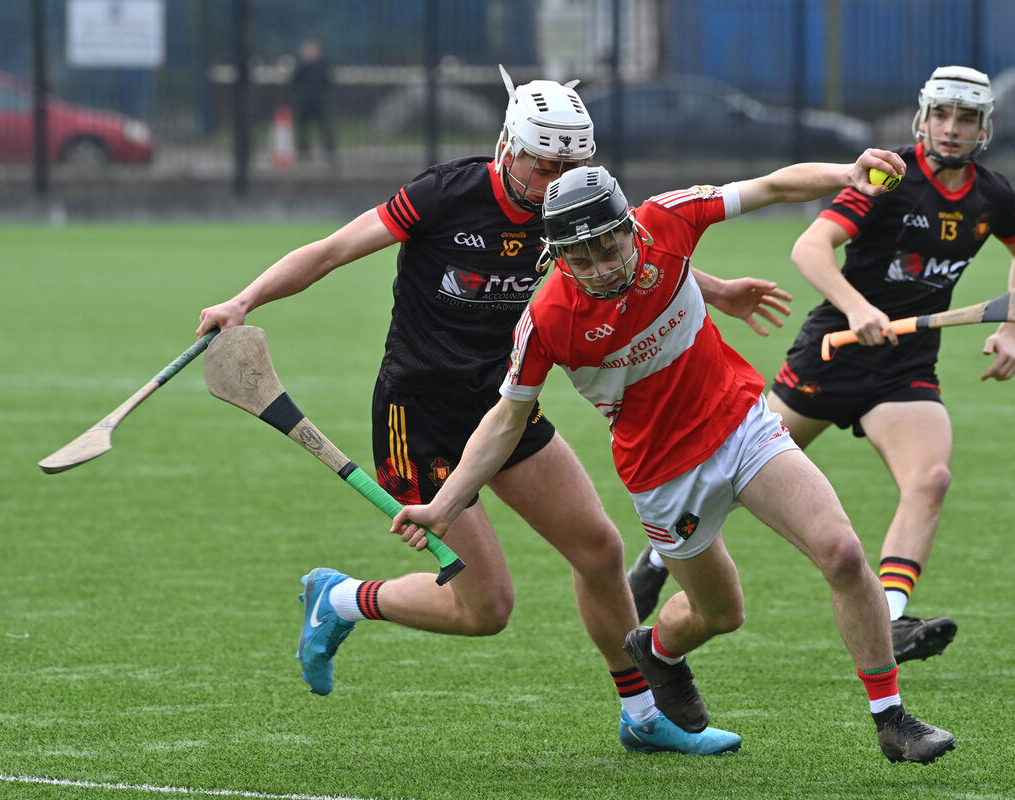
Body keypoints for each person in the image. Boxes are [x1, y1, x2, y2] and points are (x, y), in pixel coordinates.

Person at [197, 67, 789, 756]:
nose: (556, 181)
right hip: (417, 418)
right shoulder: (443, 195)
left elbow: (628, 253)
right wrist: (245, 301)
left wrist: (714, 292)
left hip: (502, 404)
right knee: (487, 611)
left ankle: (643, 716)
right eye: (544, 165)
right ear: (508, 146)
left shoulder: (566, 208)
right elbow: (332, 251)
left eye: (571, 165)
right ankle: (341, 599)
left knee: (599, 551)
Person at [392, 159, 958, 764]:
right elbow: (506, 419)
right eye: (579, 261)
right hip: (664, 476)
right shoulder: (548, 319)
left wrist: (848, 172)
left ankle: (891, 720)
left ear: (628, 229)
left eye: (608, 250)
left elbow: (768, 186)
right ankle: (658, 651)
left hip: (742, 425)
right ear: (556, 255)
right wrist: (446, 505)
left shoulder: (667, 219)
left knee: (842, 553)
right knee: (721, 613)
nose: (600, 271)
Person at [629, 66, 1015, 666]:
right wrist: (857, 308)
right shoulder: (889, 178)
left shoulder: (994, 197)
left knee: (930, 479)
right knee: (733, 479)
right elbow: (810, 246)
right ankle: (654, 559)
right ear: (922, 117)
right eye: (941, 115)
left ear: (986, 127)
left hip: (906, 365)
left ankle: (894, 618)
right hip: (833, 353)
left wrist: (1011, 332)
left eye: (966, 119)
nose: (951, 130)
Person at [291, 37, 337, 164]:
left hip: (319, 101)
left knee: (325, 127)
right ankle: (304, 154)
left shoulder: (322, 64)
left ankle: (330, 153)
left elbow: (328, 79)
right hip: (304, 101)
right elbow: (294, 80)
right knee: (303, 129)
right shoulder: (300, 65)